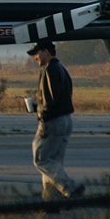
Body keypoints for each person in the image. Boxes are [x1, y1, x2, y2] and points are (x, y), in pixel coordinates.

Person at [27, 40, 84, 199]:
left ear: (46, 51)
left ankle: (70, 186)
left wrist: (42, 115)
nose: (35, 58)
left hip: (53, 121)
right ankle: (51, 200)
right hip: (65, 119)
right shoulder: (62, 69)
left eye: (36, 53)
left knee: (41, 160)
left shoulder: (50, 69)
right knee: (54, 162)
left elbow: (51, 99)